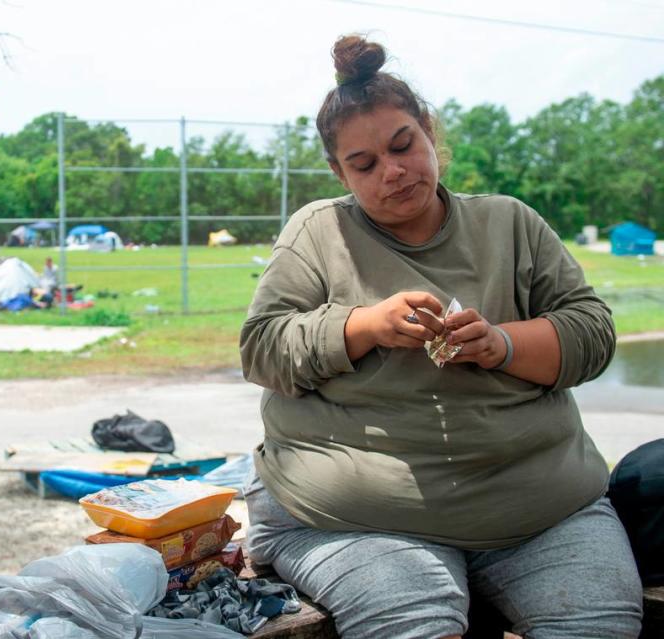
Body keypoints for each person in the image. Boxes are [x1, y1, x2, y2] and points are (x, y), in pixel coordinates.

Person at [239, 35, 643, 639]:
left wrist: (499, 344)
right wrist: (364, 325)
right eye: (365, 164)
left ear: (430, 132)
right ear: (338, 172)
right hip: (354, 522)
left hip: (542, 514)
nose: (393, 171)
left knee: (600, 625)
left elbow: (591, 333)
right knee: (417, 625)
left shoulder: (510, 222)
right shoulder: (318, 232)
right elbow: (262, 348)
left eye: (404, 145)